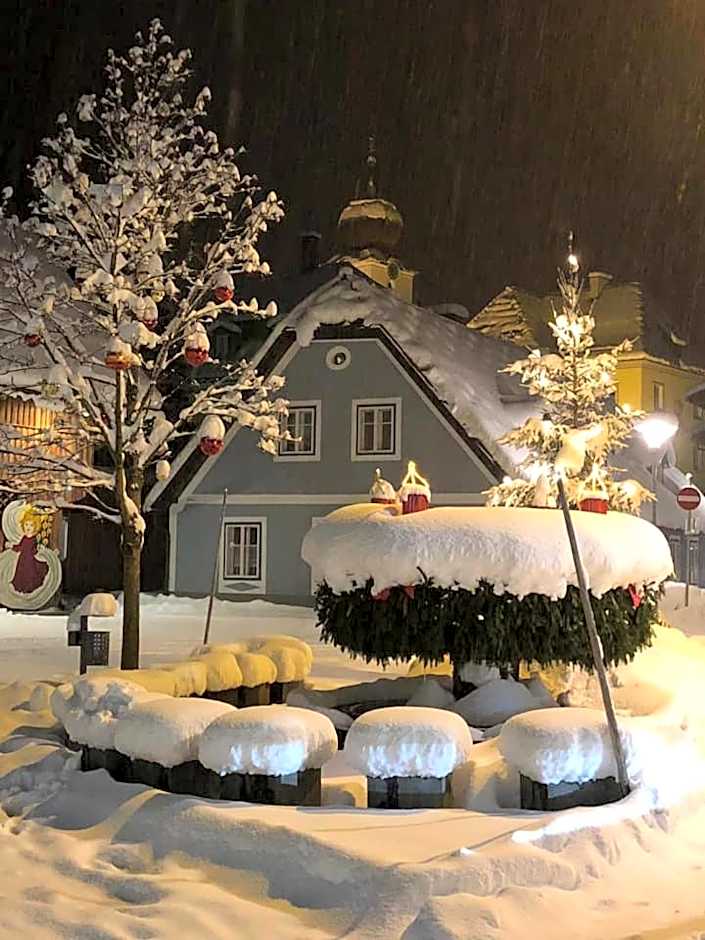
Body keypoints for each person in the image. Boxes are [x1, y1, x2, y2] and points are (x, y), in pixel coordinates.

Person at [10, 506, 49, 594]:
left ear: (35, 526)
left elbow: (33, 549)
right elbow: (20, 546)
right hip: (22, 559)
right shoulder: (24, 537)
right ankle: (21, 588)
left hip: (30, 559)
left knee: (29, 573)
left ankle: (29, 588)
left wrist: (38, 550)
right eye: (26, 524)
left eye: (31, 525)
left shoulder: (33, 538)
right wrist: (12, 547)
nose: (28, 527)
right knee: (22, 573)